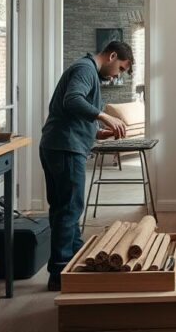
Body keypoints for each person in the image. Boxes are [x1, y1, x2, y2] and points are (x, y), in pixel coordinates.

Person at [39, 41, 133, 291]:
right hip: (65, 149)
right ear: (112, 56)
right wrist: (104, 115)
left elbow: (70, 113)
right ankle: (61, 273)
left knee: (63, 208)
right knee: (70, 209)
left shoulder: (85, 69)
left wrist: (96, 133)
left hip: (57, 145)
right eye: (121, 69)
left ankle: (73, 260)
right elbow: (73, 100)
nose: (117, 76)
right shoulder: (85, 69)